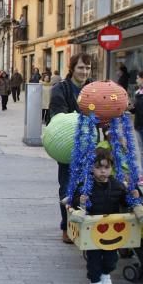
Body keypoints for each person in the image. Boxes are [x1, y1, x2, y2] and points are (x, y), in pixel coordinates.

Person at [68, 147, 143, 284]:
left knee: (111, 258)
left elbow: (126, 200)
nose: (102, 171)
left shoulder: (117, 186)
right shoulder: (87, 186)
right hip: (93, 229)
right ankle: (94, 281)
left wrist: (134, 195)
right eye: (98, 167)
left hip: (112, 229)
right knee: (94, 257)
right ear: (91, 168)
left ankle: (105, 273)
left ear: (111, 168)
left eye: (106, 167)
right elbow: (75, 202)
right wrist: (79, 201)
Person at [49, 53, 92, 244]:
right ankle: (66, 226)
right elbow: (58, 116)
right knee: (67, 187)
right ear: (72, 68)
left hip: (91, 146)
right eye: (81, 67)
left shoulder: (93, 89)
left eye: (88, 68)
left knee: (89, 187)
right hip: (69, 146)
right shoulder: (62, 88)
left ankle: (85, 224)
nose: (84, 71)